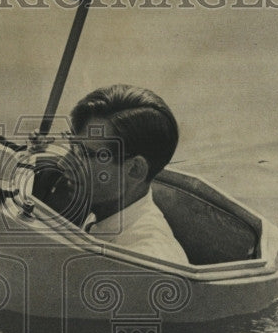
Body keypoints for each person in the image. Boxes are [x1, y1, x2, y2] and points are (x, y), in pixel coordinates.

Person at [67, 84, 189, 265]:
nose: (65, 164)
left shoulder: (146, 260)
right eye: (73, 146)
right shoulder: (107, 207)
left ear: (135, 170)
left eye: (86, 154)